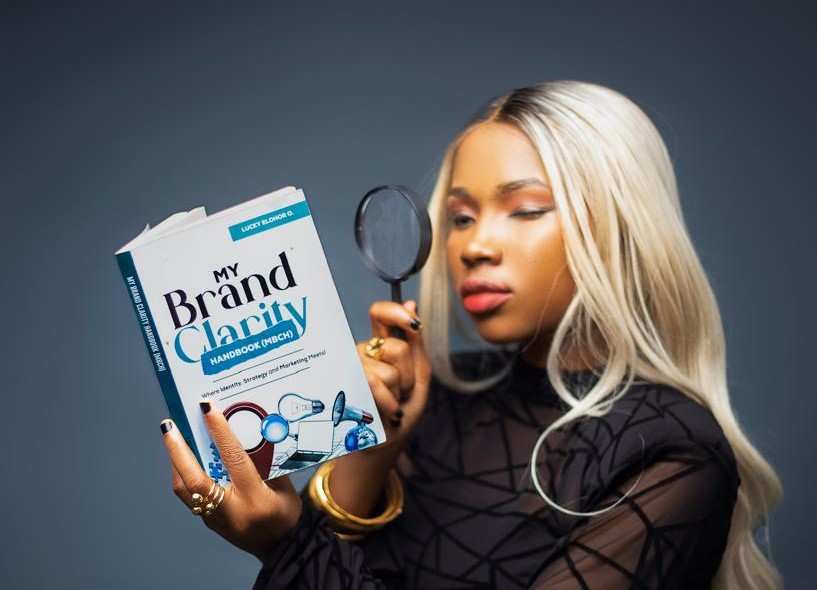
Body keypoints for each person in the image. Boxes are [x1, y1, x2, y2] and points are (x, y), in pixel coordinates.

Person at [160, 80, 783, 589]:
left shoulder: (671, 453)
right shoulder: (435, 399)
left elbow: (309, 560)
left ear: (623, 225)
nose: (475, 245)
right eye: (460, 217)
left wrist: (284, 540)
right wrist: (371, 454)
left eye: (526, 209)